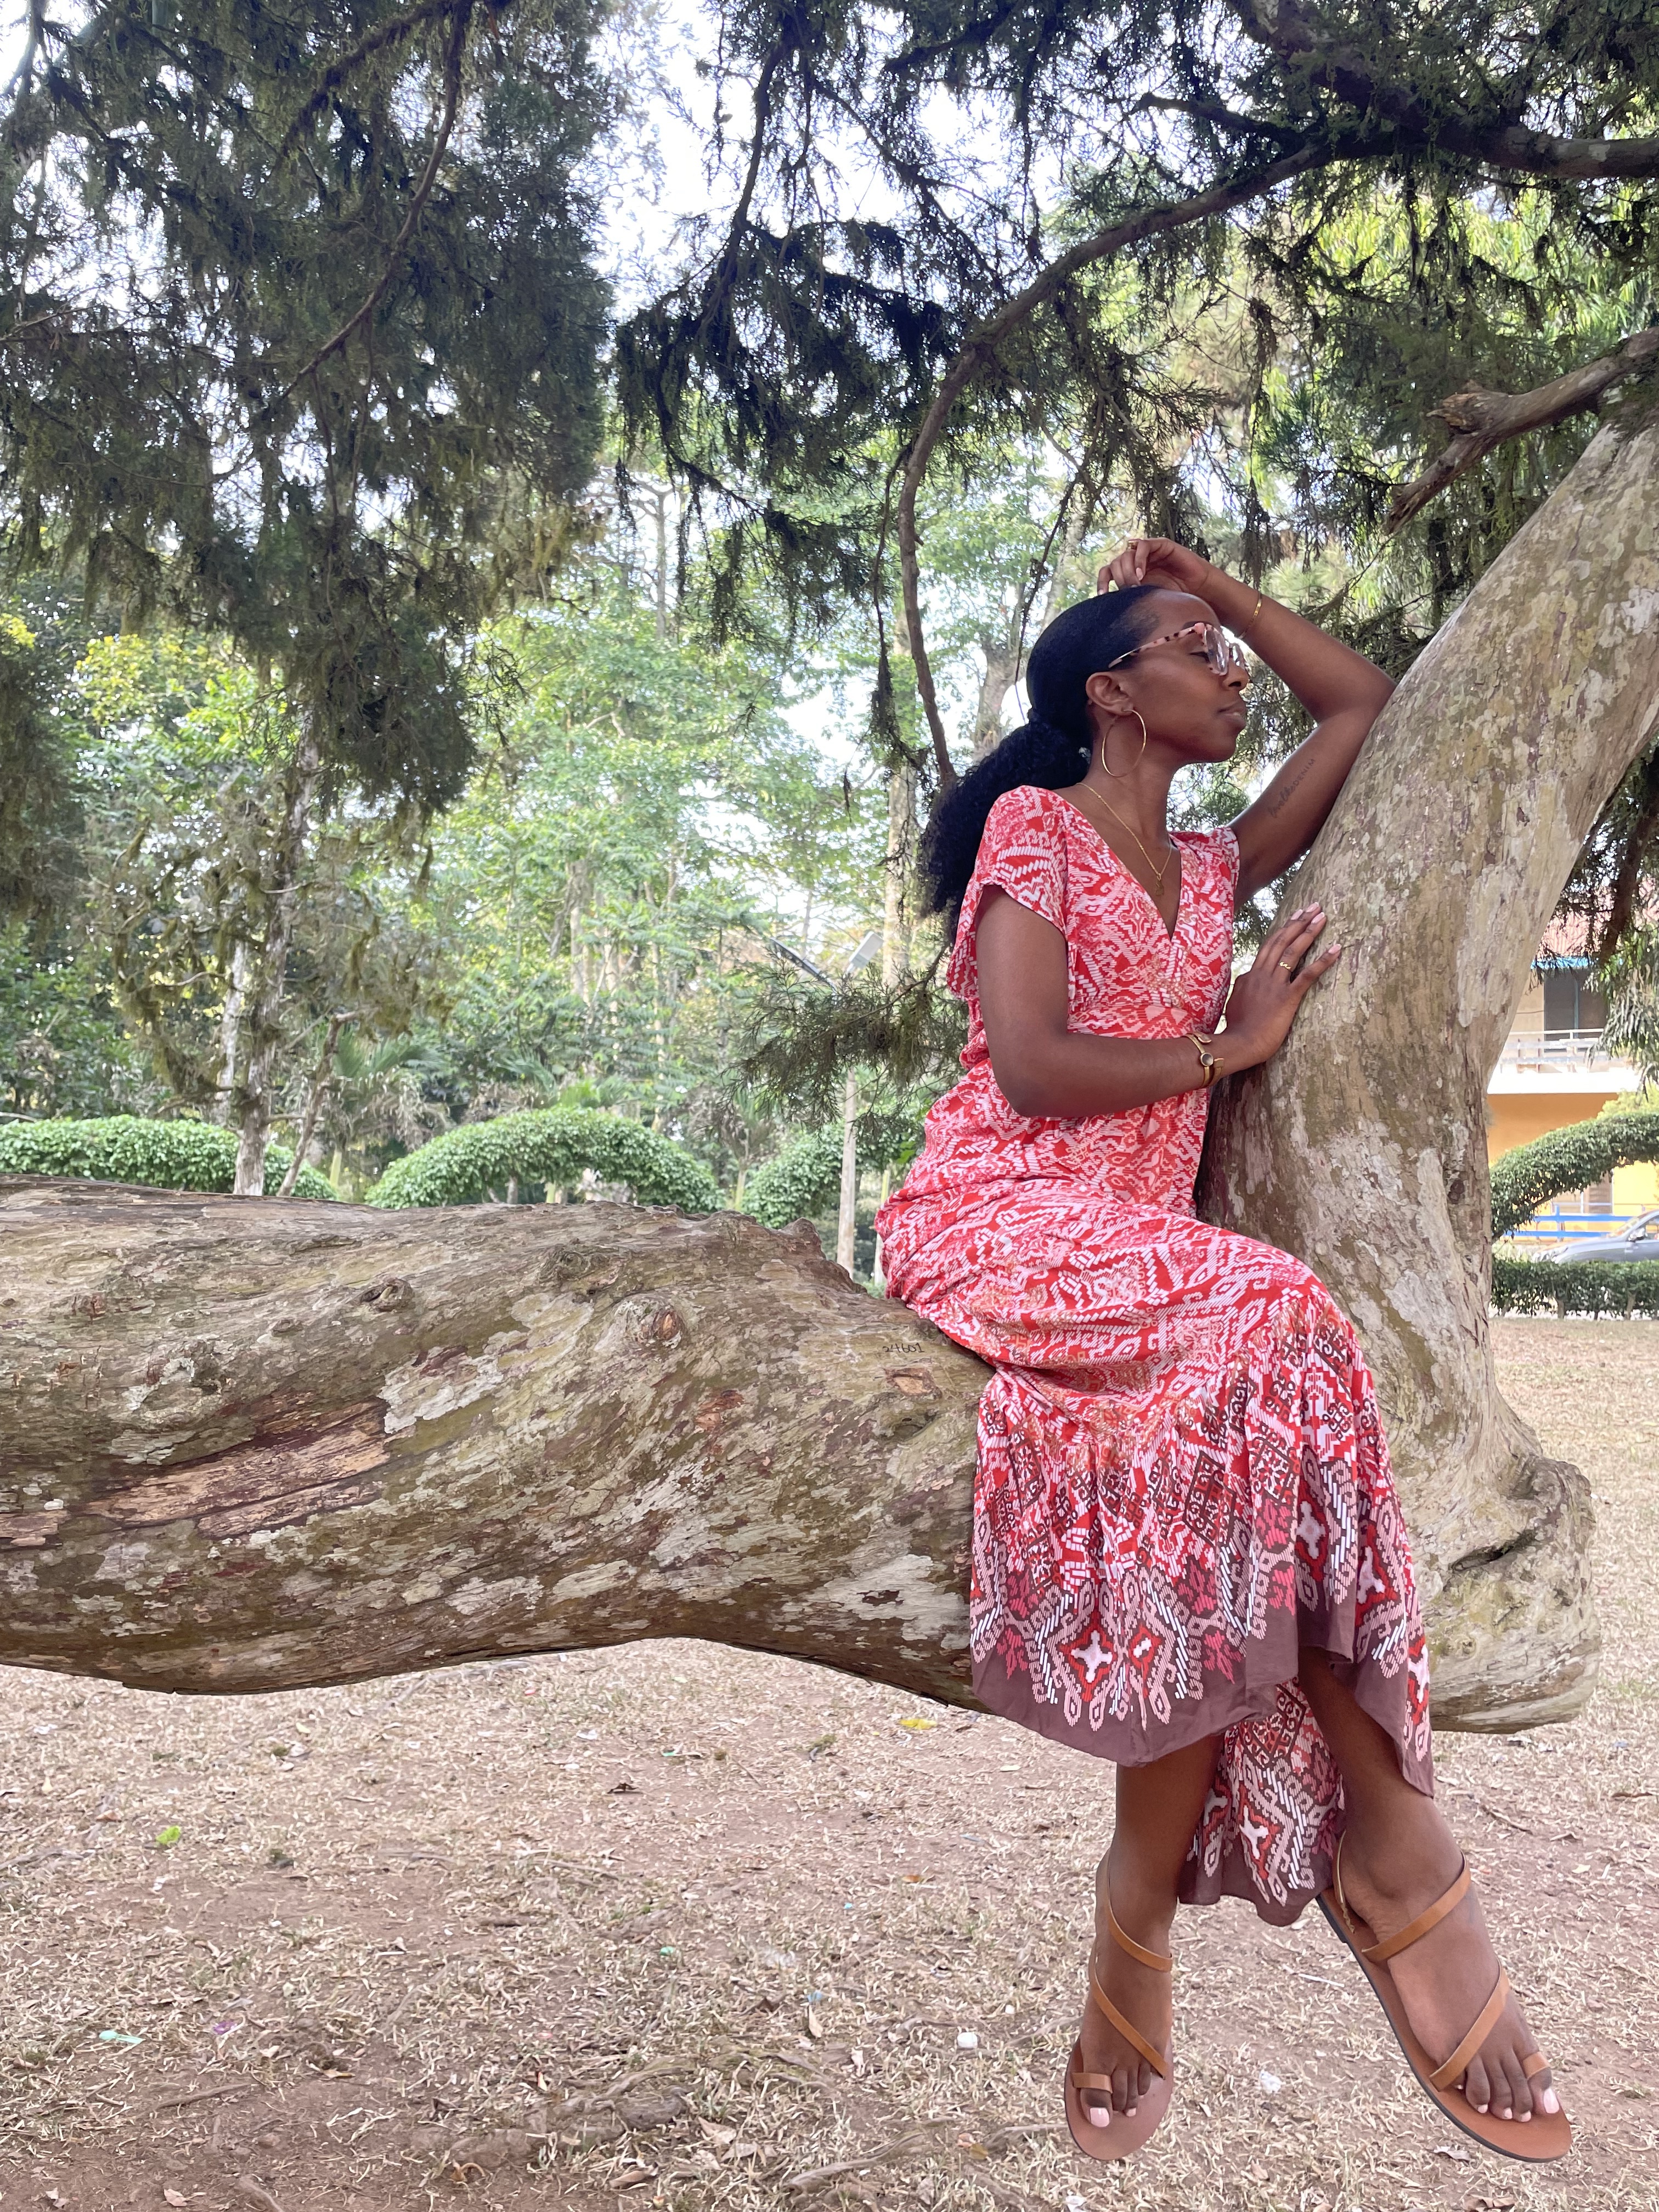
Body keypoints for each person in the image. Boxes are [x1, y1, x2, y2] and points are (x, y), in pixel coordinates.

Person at [873, 539, 1569, 2166]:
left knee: (1216, 1460)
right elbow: (1034, 1070)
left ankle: (1137, 1911)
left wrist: (1208, 578)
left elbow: (1360, 702)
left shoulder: (1208, 860)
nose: (1231, 670)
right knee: (1280, 1310)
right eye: (1193, 647)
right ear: (1113, 695)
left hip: (1149, 1260)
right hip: (1000, 1212)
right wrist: (1229, 1039)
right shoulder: (1035, 834)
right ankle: (1391, 1841)